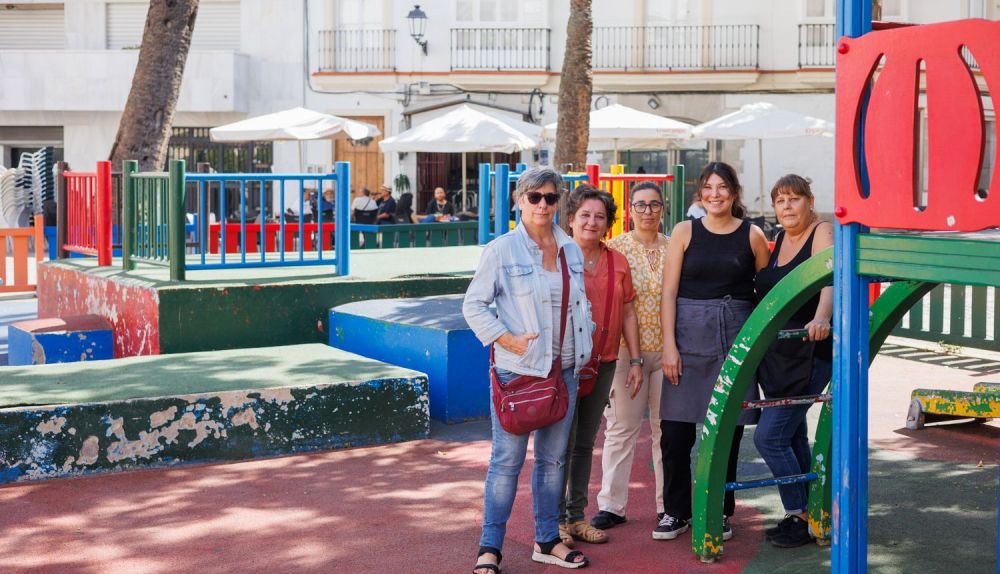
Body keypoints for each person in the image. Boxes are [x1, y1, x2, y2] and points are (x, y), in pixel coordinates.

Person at [463, 166, 594, 573]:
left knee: (553, 461)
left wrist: (586, 341)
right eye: (534, 197)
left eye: (550, 197)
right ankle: (489, 547)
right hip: (518, 372)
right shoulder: (502, 250)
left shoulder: (570, 249)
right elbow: (473, 305)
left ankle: (547, 539)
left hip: (565, 371)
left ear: (558, 202)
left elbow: (580, 305)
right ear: (520, 200)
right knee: (506, 461)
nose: (542, 204)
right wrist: (506, 338)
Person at [656, 162, 770, 541]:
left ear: (734, 192)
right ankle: (676, 512)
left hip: (733, 339)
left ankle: (720, 509)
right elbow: (668, 292)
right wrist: (669, 346)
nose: (715, 194)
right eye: (708, 187)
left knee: (726, 433)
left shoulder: (753, 235)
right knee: (674, 433)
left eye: (722, 187)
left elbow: (764, 291)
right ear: (700, 194)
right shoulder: (684, 231)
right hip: (686, 338)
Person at [558, 184, 642, 547]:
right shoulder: (557, 257)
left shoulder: (617, 261)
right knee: (559, 443)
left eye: (600, 216)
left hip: (604, 362)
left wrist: (635, 359)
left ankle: (576, 517)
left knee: (584, 442)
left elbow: (628, 311)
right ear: (571, 219)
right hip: (564, 365)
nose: (592, 222)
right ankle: (553, 521)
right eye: (585, 215)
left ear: (608, 223)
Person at [753, 175, 832, 548]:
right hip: (781, 355)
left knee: (770, 436)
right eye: (780, 200)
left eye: (794, 199)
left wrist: (822, 317)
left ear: (809, 201)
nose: (786, 206)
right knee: (793, 434)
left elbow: (830, 277)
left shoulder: (821, 231)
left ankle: (799, 512)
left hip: (809, 349)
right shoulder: (781, 239)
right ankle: (808, 514)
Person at [592, 181, 670, 532]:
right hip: (626, 352)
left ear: (663, 209)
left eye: (654, 205)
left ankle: (668, 506)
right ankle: (612, 505)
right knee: (621, 427)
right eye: (640, 205)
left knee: (665, 430)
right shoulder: (615, 248)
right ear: (630, 210)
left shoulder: (675, 247)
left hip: (667, 351)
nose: (647, 211)